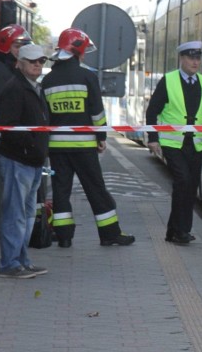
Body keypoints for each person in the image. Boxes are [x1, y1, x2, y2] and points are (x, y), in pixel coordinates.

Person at [41, 28, 135, 248]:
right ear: (78, 51)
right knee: (95, 189)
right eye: (84, 51)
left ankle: (63, 236)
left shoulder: (48, 81)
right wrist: (101, 137)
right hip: (84, 145)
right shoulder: (87, 77)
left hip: (56, 147)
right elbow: (97, 113)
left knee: (61, 190)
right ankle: (110, 234)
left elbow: (44, 116)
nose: (85, 55)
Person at [146, 41, 202, 244]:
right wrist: (153, 139)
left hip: (196, 144)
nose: (195, 62)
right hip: (172, 144)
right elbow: (152, 111)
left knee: (190, 188)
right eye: (191, 58)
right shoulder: (168, 80)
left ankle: (175, 230)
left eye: (198, 58)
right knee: (182, 180)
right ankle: (180, 231)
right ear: (181, 58)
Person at [0, 43, 50, 279]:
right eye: (33, 61)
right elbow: (10, 127)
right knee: (15, 215)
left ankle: (21, 260)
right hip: (19, 162)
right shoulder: (15, 88)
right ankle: (9, 264)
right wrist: (30, 147)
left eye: (41, 62)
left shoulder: (33, 87)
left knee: (26, 216)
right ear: (20, 63)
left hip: (31, 161)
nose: (38, 65)